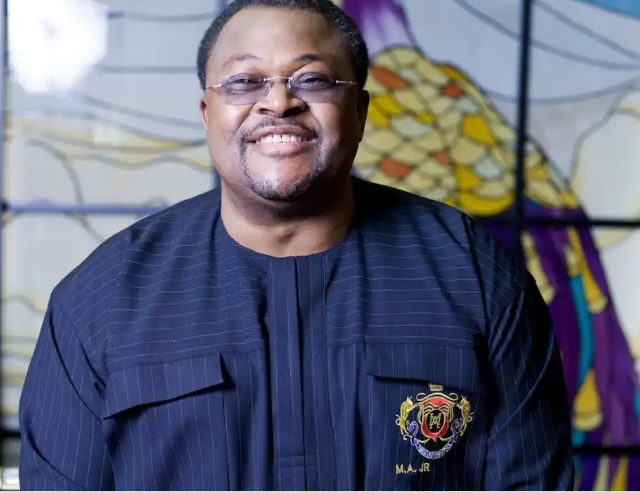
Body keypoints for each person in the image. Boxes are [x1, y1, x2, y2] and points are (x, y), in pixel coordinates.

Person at [18, 0, 574, 490]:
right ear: (208, 114)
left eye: (313, 80)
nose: (279, 102)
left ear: (360, 112)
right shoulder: (100, 300)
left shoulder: (476, 277)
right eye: (244, 81)